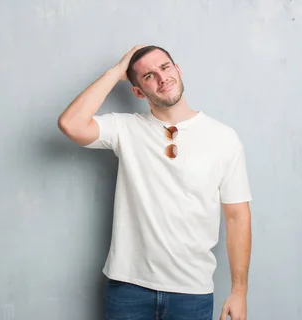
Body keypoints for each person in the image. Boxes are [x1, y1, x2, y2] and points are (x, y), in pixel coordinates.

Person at [57, 45, 253, 320]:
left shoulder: (223, 137)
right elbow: (71, 124)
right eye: (148, 76)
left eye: (165, 67)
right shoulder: (125, 128)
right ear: (137, 91)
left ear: (177, 70)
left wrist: (239, 291)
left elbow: (237, 217)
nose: (162, 78)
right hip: (128, 289)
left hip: (192, 291)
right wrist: (116, 71)